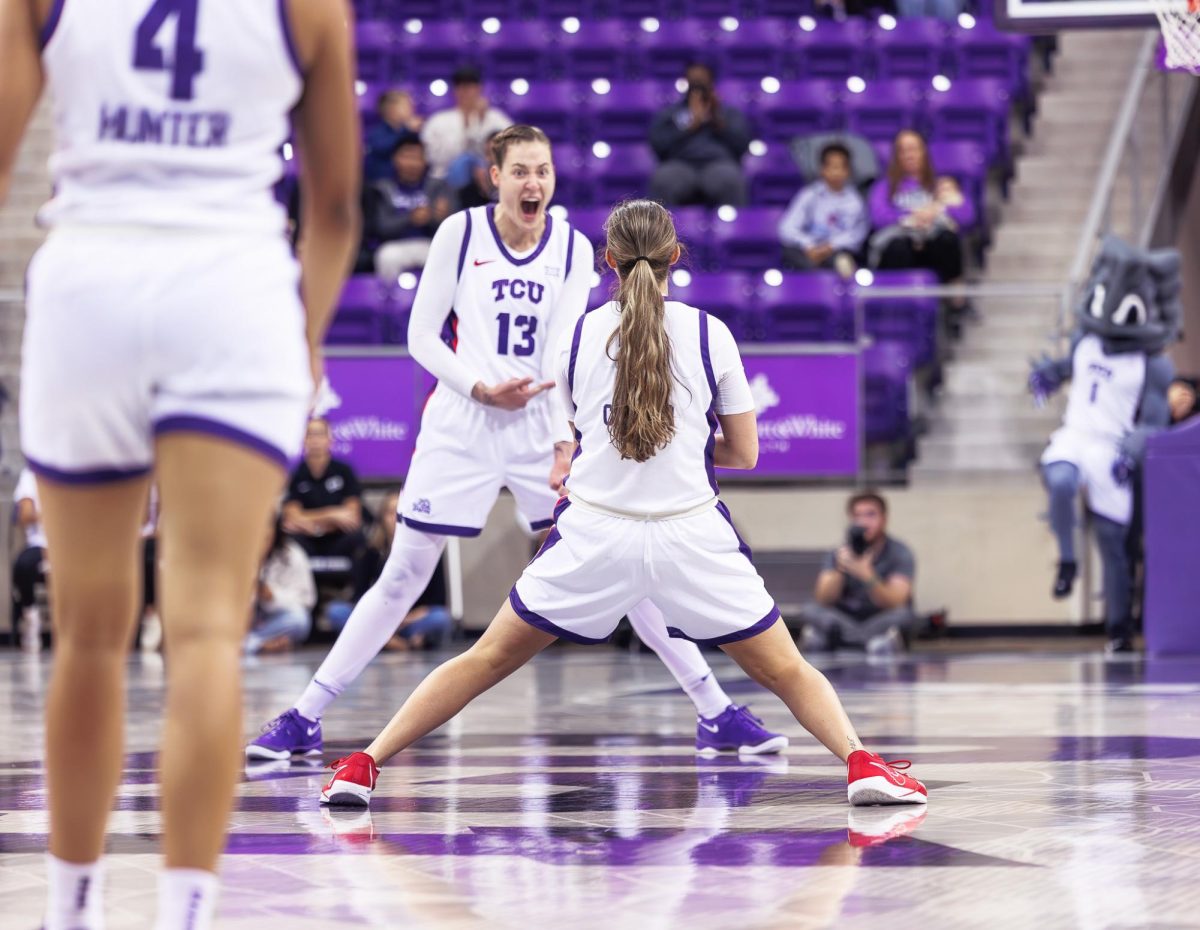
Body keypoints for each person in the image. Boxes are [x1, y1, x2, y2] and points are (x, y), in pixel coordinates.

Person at [319, 199, 928, 809]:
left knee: (483, 661)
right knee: (788, 671)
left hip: (594, 535)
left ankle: (361, 764)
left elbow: (582, 440)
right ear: (676, 259)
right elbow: (744, 454)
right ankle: (861, 764)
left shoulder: (576, 339)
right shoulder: (711, 333)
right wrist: (686, 437)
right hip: (690, 535)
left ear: (607, 261)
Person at [247, 125, 787, 764]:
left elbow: (565, 351)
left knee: (622, 558)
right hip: (462, 418)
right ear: (493, 176)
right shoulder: (461, 233)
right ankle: (307, 716)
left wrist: (564, 440)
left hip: (539, 423)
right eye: (522, 171)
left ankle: (715, 710)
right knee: (404, 572)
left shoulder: (567, 243)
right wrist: (478, 386)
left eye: (545, 171)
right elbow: (422, 337)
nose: (535, 182)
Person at [0, 1, 360, 928]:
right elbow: (335, 207)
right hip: (231, 293)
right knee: (204, 631)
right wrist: (304, 336)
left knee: (87, 632)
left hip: (91, 283)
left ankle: (70, 912)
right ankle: (186, 913)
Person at [326, 489, 452, 650]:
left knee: (440, 618)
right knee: (337, 611)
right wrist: (382, 621)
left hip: (410, 621)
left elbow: (437, 601)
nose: (396, 518)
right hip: (376, 621)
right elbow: (359, 597)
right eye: (390, 513)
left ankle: (381, 642)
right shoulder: (369, 553)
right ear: (381, 519)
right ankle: (391, 642)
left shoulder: (429, 551)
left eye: (401, 512)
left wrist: (404, 619)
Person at [798, 491, 918, 657]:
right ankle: (866, 643)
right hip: (845, 617)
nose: (863, 522)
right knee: (810, 609)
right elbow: (823, 599)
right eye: (857, 515)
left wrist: (867, 574)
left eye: (870, 515)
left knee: (904, 614)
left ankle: (845, 642)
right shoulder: (839, 553)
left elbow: (895, 601)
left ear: (884, 519)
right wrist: (840, 569)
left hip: (878, 617)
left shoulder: (900, 552)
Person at [868, 130, 973, 284]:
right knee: (899, 247)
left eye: (913, 149)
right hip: (901, 246)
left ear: (924, 152)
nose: (909, 155)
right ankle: (900, 303)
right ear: (896, 156)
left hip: (932, 245)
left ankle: (955, 301)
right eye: (902, 151)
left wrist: (937, 211)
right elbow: (878, 218)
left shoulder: (940, 185)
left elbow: (967, 215)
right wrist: (911, 217)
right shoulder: (884, 187)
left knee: (947, 240)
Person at [649, 63, 752, 208]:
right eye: (693, 80)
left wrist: (718, 122)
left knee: (732, 180)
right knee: (663, 180)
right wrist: (689, 127)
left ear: (711, 82)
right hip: (680, 164)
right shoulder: (671, 113)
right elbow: (658, 145)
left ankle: (735, 230)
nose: (697, 85)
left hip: (718, 164)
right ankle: (663, 231)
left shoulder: (728, 113)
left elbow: (742, 145)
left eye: (702, 80)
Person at [367, 137, 453, 280]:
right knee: (387, 256)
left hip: (429, 243)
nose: (412, 163)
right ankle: (389, 299)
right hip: (394, 245)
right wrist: (410, 219)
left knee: (446, 255)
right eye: (407, 157)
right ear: (395, 158)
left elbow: (453, 227)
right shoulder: (382, 188)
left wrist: (438, 218)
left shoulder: (438, 187)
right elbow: (381, 227)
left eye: (417, 158)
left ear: (425, 161)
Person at [283, 417, 365, 569]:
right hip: (306, 539)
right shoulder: (295, 473)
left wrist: (310, 521)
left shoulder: (343, 471)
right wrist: (332, 515)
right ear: (304, 440)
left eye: (319, 434)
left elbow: (352, 516)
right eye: (310, 435)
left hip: (338, 538)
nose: (315, 440)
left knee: (357, 537)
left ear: (330, 440)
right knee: (288, 537)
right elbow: (292, 517)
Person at [778, 142, 868, 276]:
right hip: (806, 251)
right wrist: (809, 245)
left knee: (843, 262)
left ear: (848, 171)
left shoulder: (855, 202)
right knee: (791, 255)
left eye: (840, 167)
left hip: (837, 252)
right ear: (822, 169)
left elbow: (856, 234)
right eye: (832, 167)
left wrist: (830, 247)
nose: (836, 172)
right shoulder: (809, 195)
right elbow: (787, 228)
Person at [421, 66, 512, 185]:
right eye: (461, 87)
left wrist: (480, 120)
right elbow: (431, 157)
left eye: (470, 87)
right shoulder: (438, 120)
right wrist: (466, 124)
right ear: (454, 90)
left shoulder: (496, 118)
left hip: (488, 181)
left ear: (479, 89)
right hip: (444, 180)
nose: (466, 92)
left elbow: (509, 148)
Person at [246, 516, 316, 655]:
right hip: (240, 622)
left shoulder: (292, 554)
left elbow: (306, 600)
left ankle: (252, 643)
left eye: (267, 530)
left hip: (273, 621)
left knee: (299, 620)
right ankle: (257, 644)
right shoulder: (233, 554)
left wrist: (272, 596)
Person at [12, 466, 47, 652]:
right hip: (40, 543)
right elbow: (25, 514)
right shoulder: (30, 474)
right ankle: (31, 617)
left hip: (72, 542)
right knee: (23, 566)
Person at [364, 88, 423, 182]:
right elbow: (382, 147)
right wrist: (407, 129)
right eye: (406, 106)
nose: (412, 109)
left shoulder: (410, 132)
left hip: (403, 184)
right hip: (380, 184)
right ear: (391, 109)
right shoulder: (377, 132)